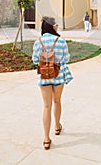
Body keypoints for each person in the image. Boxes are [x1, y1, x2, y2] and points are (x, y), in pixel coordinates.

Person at [32, 16, 73, 150]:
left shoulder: (38, 42)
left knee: (46, 106)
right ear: (52, 26)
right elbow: (66, 58)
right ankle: (57, 126)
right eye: (55, 24)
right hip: (59, 75)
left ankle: (46, 139)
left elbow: (34, 60)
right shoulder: (60, 40)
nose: (57, 26)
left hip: (44, 76)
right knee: (57, 101)